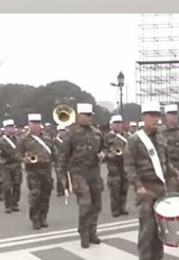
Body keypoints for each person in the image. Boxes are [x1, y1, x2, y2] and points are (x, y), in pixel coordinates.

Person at [124, 101, 169, 260]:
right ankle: (145, 259)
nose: (155, 119)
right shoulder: (135, 140)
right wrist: (138, 186)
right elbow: (129, 166)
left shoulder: (161, 138)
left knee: (161, 227)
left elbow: (165, 161)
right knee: (147, 227)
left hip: (160, 187)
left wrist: (175, 173)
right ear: (143, 117)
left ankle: (158, 258)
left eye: (157, 116)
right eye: (151, 116)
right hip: (146, 188)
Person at [59, 103, 105, 248]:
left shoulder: (97, 133)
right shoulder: (70, 133)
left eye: (90, 115)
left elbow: (103, 149)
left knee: (97, 204)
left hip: (94, 171)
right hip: (78, 172)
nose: (89, 118)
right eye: (86, 115)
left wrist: (103, 155)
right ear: (79, 116)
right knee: (85, 204)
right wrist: (63, 178)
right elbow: (63, 156)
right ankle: (84, 233)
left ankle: (92, 231)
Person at [18, 114, 56, 229]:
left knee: (46, 194)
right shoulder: (23, 139)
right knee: (35, 194)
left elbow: (54, 152)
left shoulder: (47, 138)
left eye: (38, 123)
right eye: (33, 123)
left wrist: (56, 162)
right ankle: (35, 218)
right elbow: (17, 154)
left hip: (46, 169)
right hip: (32, 170)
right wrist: (23, 159)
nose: (36, 125)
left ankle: (43, 217)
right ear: (29, 124)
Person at [104, 115, 130, 217]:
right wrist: (108, 154)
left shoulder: (126, 136)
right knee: (115, 187)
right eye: (116, 123)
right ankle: (115, 209)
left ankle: (122, 207)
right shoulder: (107, 136)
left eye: (120, 123)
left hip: (124, 164)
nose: (118, 125)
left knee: (124, 187)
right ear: (111, 125)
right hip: (113, 165)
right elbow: (103, 149)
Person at [0, 119, 22, 214]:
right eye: (9, 127)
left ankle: (15, 203)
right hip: (6, 165)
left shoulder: (19, 139)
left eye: (12, 126)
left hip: (16, 165)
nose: (11, 128)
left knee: (17, 185)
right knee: (7, 186)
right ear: (5, 129)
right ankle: (8, 205)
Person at [159, 104, 179, 193]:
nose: (174, 117)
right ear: (166, 116)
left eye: (175, 114)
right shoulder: (159, 132)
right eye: (171, 114)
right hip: (165, 171)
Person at [54, 125, 67, 197]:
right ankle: (59, 190)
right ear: (58, 132)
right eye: (61, 131)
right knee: (59, 176)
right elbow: (55, 152)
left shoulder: (66, 140)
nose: (63, 133)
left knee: (66, 175)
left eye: (64, 131)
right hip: (58, 161)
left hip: (66, 161)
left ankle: (65, 189)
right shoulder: (55, 141)